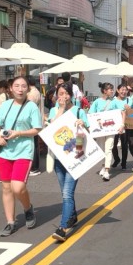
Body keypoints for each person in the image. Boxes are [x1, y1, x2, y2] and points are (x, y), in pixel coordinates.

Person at [0, 76, 42, 237]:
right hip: (5, 151)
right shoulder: (5, 105)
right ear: (11, 89)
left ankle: (28, 208)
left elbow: (37, 129)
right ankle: (10, 222)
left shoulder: (32, 107)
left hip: (24, 151)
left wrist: (19, 133)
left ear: (28, 89)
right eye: (17, 86)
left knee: (18, 187)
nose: (20, 89)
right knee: (6, 188)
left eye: (23, 86)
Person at [46, 82, 88, 241]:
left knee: (66, 194)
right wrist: (61, 109)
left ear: (71, 95)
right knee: (65, 192)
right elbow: (51, 128)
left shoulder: (79, 111)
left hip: (74, 158)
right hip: (59, 158)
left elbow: (89, 132)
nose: (63, 97)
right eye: (60, 93)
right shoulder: (53, 110)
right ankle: (73, 217)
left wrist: (82, 124)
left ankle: (63, 227)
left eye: (66, 93)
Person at [89, 82, 126, 182]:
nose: (112, 91)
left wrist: (122, 125)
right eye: (110, 89)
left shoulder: (114, 102)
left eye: (112, 89)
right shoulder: (97, 102)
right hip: (100, 130)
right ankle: (103, 166)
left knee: (108, 148)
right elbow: (91, 114)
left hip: (111, 129)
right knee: (101, 149)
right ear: (105, 91)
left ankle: (107, 171)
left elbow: (122, 112)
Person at [111, 83, 130, 170]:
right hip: (115, 126)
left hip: (125, 125)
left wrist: (129, 108)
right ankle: (117, 159)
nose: (123, 91)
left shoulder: (128, 100)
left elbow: (132, 111)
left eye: (125, 90)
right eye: (122, 90)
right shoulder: (113, 101)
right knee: (113, 144)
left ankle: (124, 162)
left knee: (124, 144)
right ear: (118, 91)